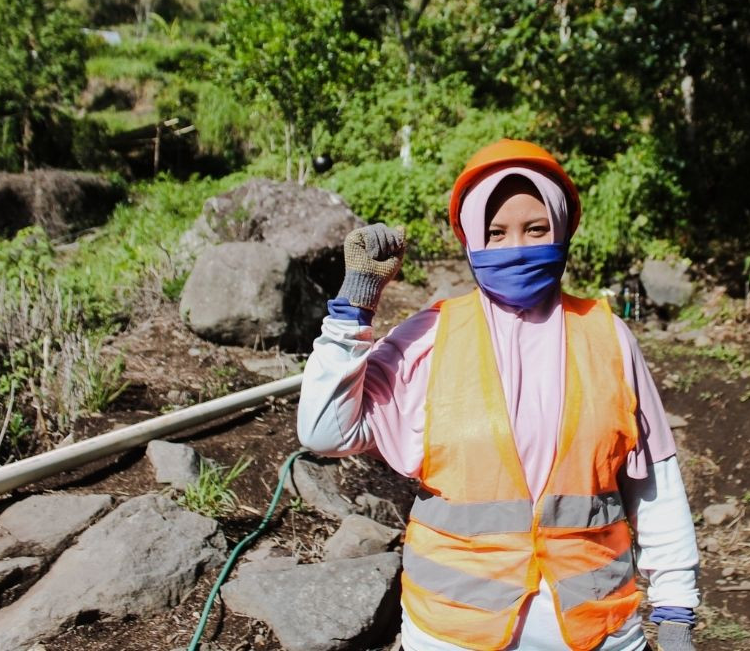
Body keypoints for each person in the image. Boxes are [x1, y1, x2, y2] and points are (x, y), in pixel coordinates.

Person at [298, 139, 701, 651]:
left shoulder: (608, 336)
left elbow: (657, 487)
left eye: (536, 229)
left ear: (562, 229)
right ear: (470, 240)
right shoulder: (431, 334)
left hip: (598, 629)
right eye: (496, 232)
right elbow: (323, 430)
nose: (517, 245)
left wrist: (675, 612)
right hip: (453, 630)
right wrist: (353, 308)